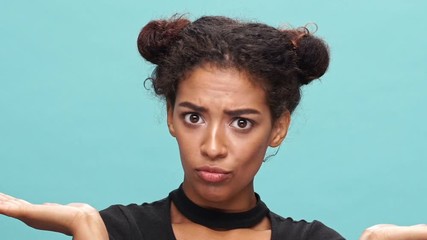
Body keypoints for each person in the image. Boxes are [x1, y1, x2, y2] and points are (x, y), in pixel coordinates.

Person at [0, 15, 424, 240]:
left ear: (279, 128)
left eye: (242, 122)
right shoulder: (118, 233)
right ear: (170, 116)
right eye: (194, 117)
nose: (213, 146)